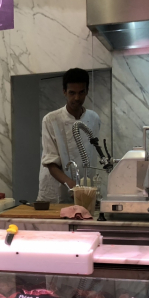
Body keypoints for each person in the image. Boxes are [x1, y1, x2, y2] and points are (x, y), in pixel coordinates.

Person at [37, 68, 101, 204]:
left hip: (84, 189)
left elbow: (91, 156)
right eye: (72, 93)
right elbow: (51, 162)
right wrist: (73, 185)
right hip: (56, 191)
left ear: (87, 91)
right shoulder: (51, 120)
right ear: (64, 92)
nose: (77, 98)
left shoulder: (94, 118)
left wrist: (84, 187)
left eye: (81, 92)